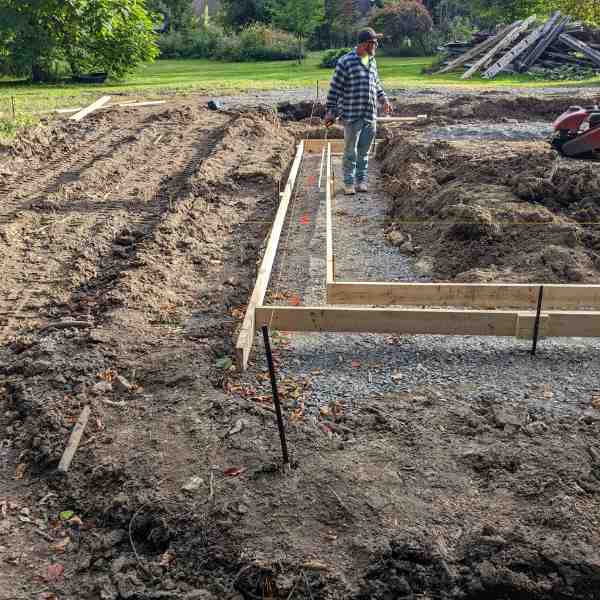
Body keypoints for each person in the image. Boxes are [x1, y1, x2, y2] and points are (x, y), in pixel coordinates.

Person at [324, 27, 393, 195]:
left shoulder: (372, 61)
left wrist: (384, 101)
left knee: (364, 152)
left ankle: (361, 181)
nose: (376, 45)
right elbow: (335, 89)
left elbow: (376, 86)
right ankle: (348, 183)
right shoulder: (345, 61)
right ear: (365, 44)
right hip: (351, 115)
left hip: (370, 114)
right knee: (350, 152)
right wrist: (331, 111)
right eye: (374, 42)